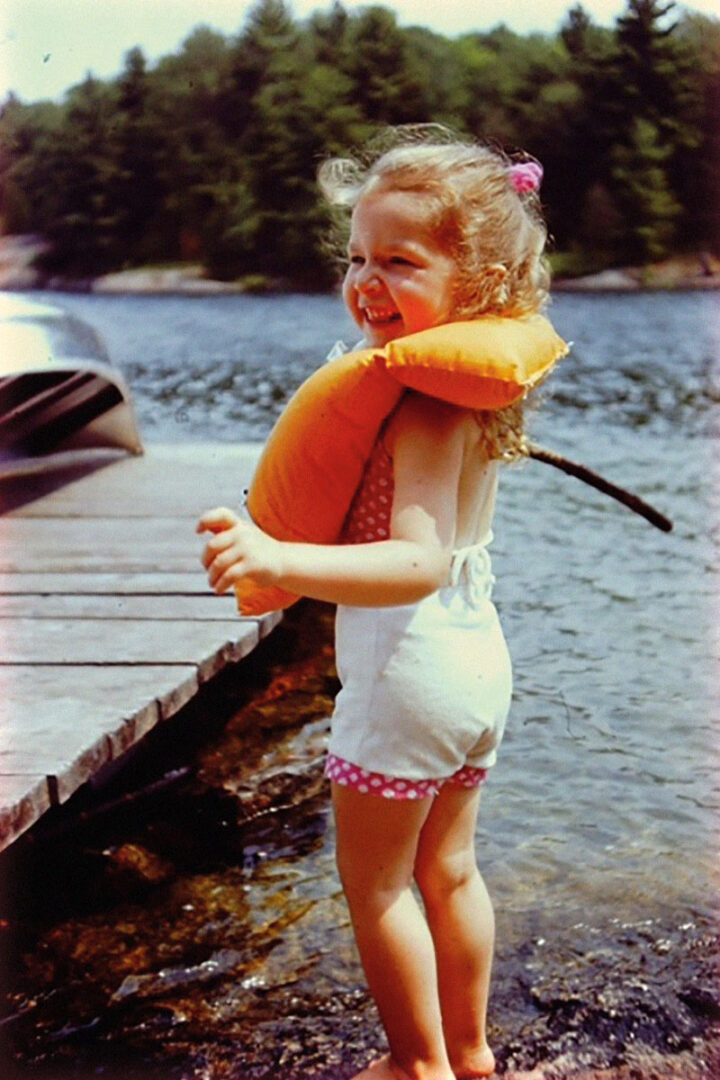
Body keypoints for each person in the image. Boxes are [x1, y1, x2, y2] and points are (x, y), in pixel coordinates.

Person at [198, 127, 550, 1080]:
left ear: (479, 286)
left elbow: (416, 562)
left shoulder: (425, 404)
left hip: (409, 675)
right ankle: (469, 1053)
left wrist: (277, 555)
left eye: (400, 262)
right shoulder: (457, 393)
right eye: (358, 258)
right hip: (475, 670)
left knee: (378, 885)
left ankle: (414, 1065)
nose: (367, 281)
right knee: (449, 869)